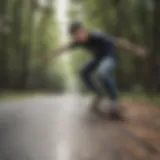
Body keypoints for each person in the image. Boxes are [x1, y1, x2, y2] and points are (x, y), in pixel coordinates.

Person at [47, 21, 146, 119]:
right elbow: (66, 47)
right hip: (98, 59)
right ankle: (99, 94)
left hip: (110, 57)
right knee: (83, 71)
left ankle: (114, 103)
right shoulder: (78, 42)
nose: (79, 37)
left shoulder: (98, 36)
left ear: (85, 30)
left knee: (102, 73)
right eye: (75, 35)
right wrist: (51, 55)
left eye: (79, 33)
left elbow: (118, 42)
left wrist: (136, 49)